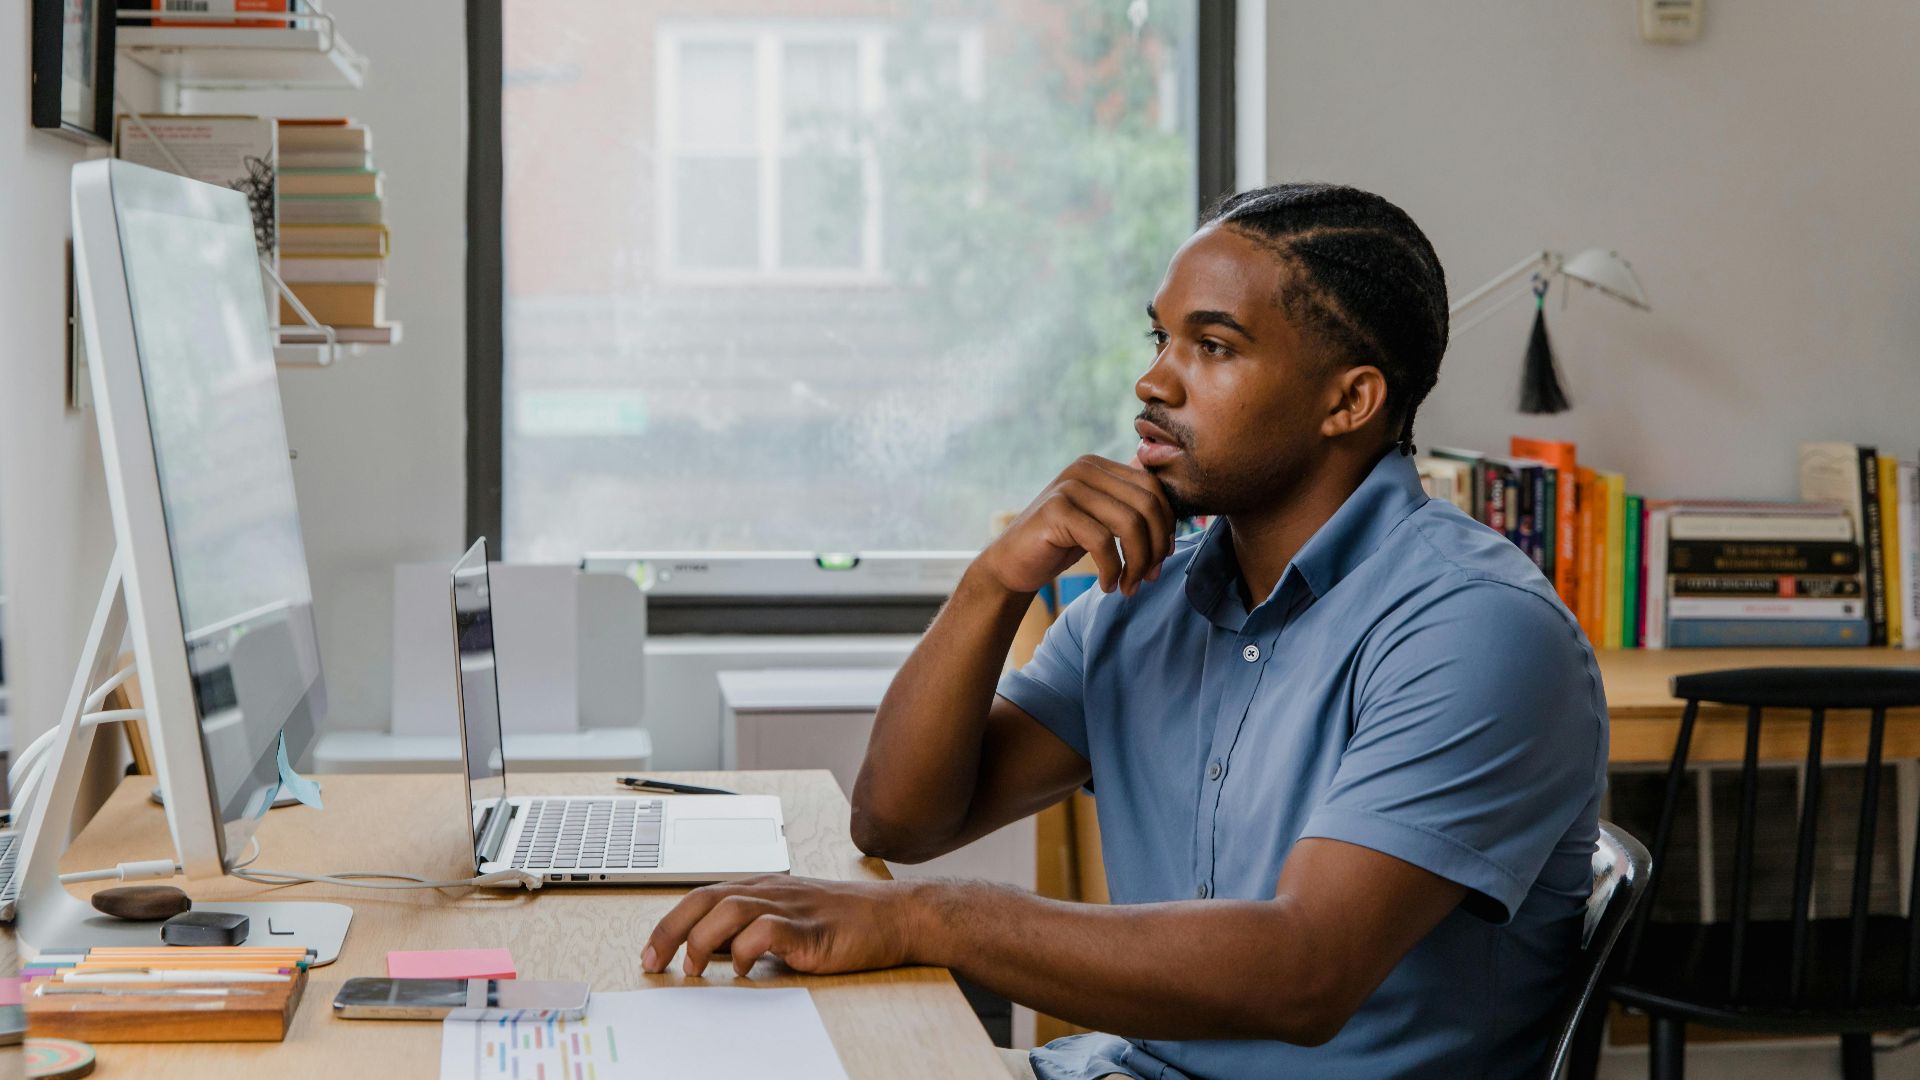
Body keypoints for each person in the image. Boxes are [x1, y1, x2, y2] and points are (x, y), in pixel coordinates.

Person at [641, 182, 1608, 1080]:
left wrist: (927, 920)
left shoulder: (1475, 630)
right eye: (1160, 338)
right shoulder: (1147, 597)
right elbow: (900, 821)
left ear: (1347, 401)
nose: (1154, 381)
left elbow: (1306, 972)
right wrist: (995, 584)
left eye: (1213, 347)